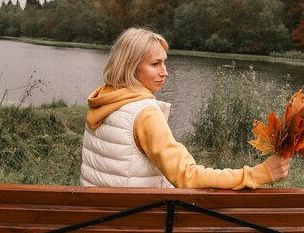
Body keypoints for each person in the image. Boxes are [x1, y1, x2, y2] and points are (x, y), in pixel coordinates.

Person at [80, 27, 292, 189]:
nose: (165, 72)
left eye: (165, 63)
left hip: (98, 220)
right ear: (130, 66)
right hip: (137, 226)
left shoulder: (105, 99)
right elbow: (187, 177)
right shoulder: (144, 113)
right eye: (155, 64)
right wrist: (258, 174)